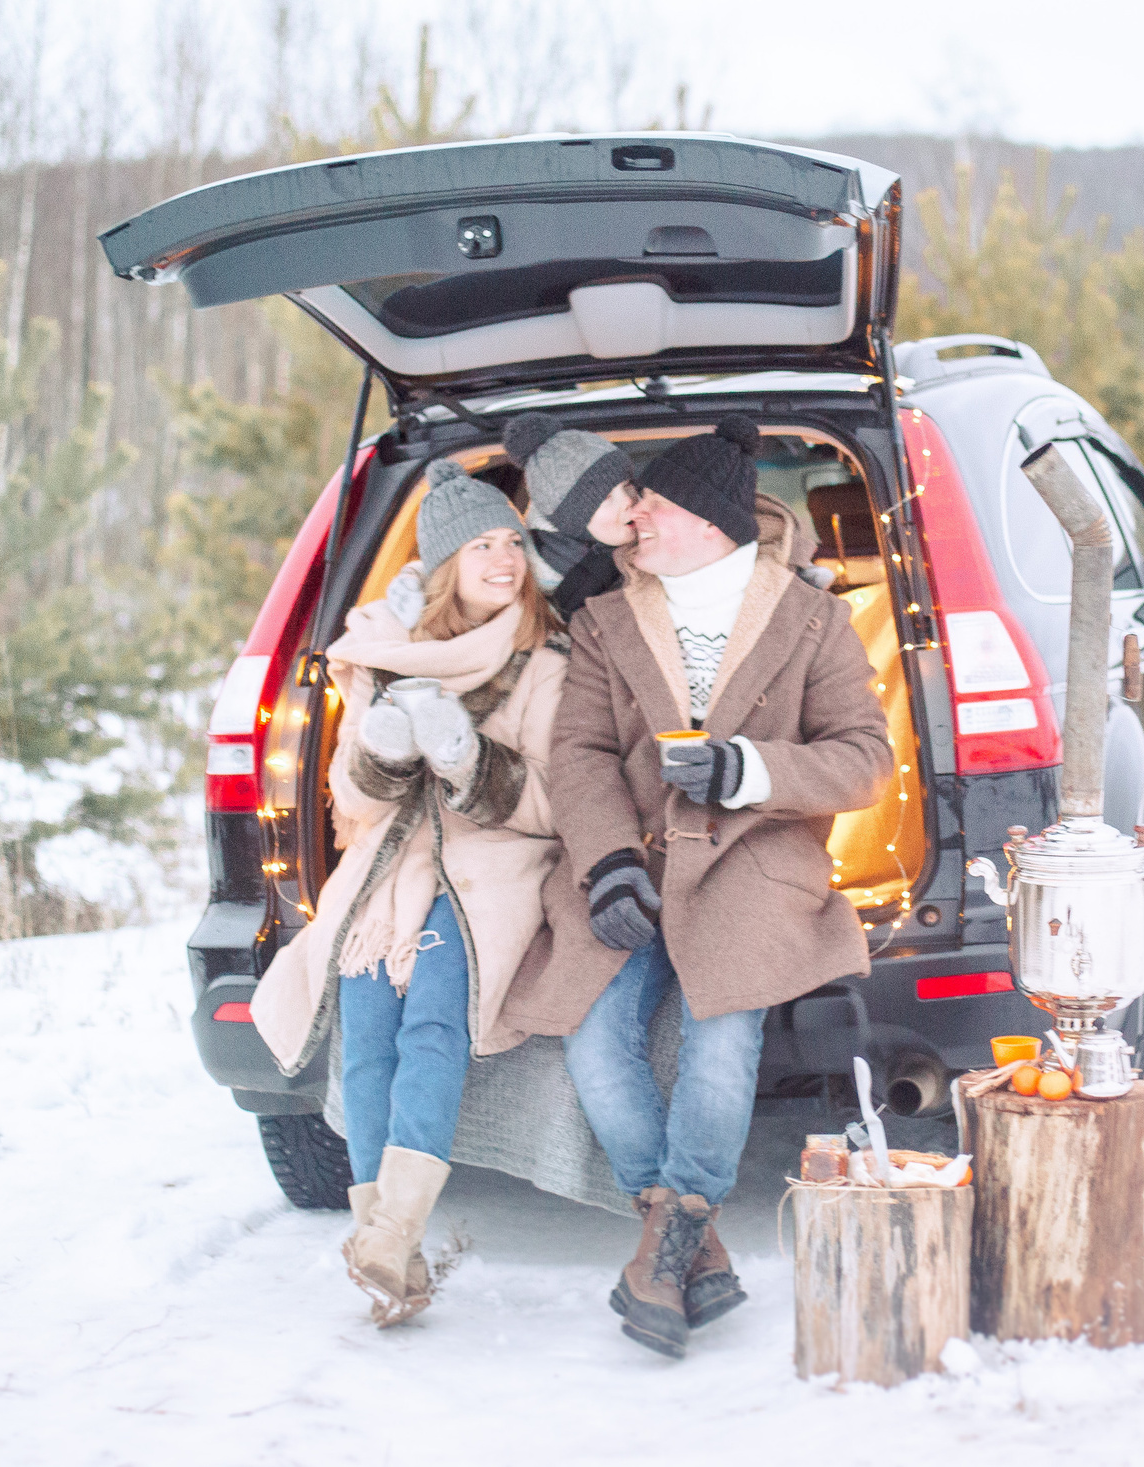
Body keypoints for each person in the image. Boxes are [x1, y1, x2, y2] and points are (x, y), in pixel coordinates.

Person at [501, 416, 893, 1359]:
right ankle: (686, 1241)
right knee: (595, 1037)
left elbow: (866, 759)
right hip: (633, 859)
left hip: (754, 863)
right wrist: (608, 863)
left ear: (710, 523)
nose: (635, 519)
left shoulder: (813, 620)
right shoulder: (606, 617)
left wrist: (748, 770)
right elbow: (582, 753)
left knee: (721, 1042)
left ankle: (666, 1247)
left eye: (655, 507)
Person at [250, 459, 568, 1327]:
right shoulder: (382, 654)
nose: (503, 559)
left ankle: (392, 1234)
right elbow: (351, 803)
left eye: (512, 542)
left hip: (486, 869)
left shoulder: (545, 661)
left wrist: (467, 758)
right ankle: (391, 1250)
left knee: (431, 1026)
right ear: (442, 565)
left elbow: (554, 804)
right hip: (386, 872)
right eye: (480, 545)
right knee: (366, 1042)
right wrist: (384, 752)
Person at [501, 411, 640, 620]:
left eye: (627, 485)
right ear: (573, 520)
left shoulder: (656, 543)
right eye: (605, 497)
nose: (630, 500)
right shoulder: (534, 596)